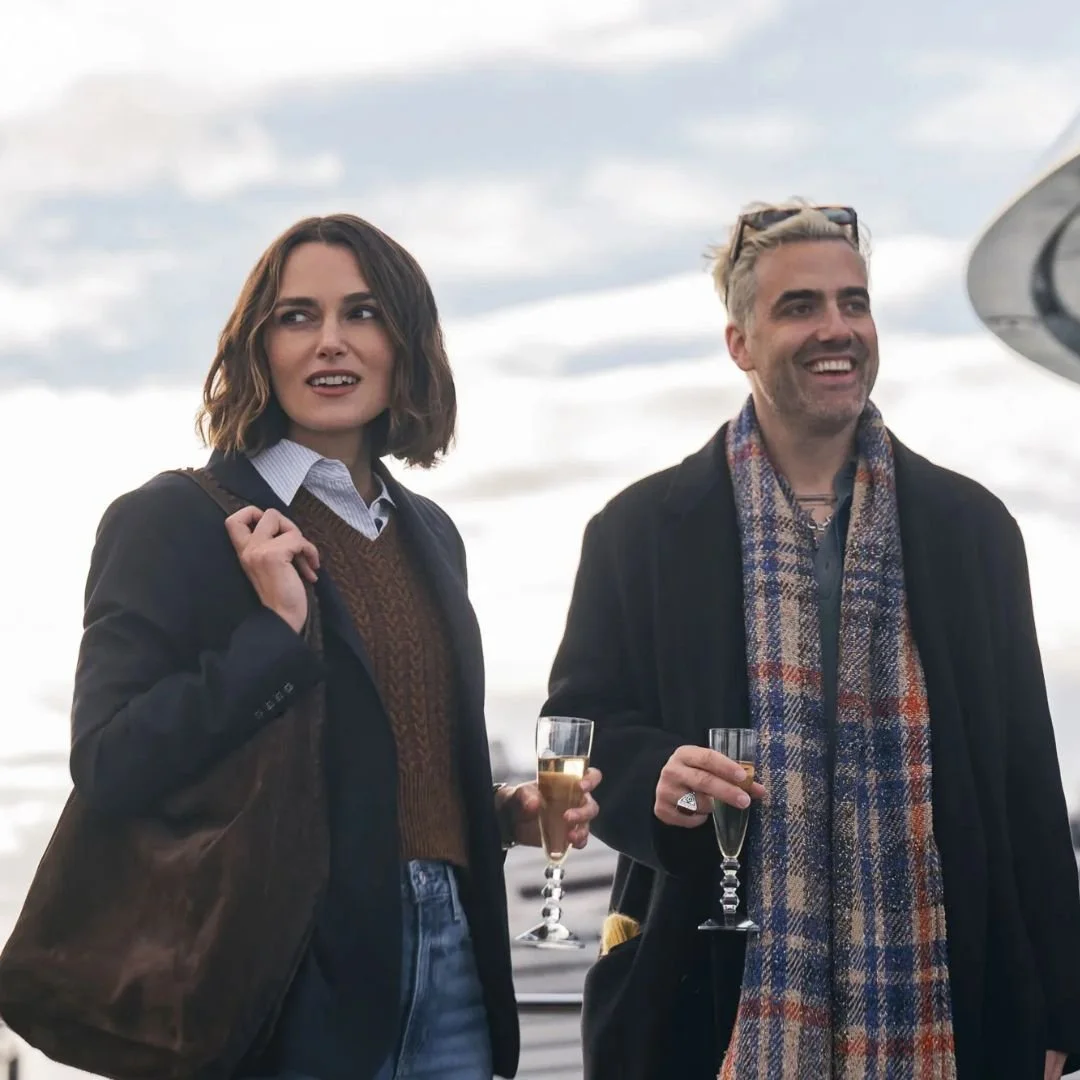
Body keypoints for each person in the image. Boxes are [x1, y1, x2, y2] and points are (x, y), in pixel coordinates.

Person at [543, 202, 1080, 1080]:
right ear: (740, 343)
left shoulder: (971, 528)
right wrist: (659, 775)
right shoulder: (640, 532)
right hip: (710, 1000)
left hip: (950, 1004)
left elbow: (1026, 778)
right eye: (800, 307)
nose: (837, 328)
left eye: (854, 302)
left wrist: (1060, 1001)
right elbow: (581, 725)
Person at [69, 213, 601, 1080]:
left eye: (362, 314)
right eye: (296, 317)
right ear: (258, 347)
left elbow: (399, 758)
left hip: (456, 954)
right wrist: (275, 634)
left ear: (406, 343)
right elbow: (111, 761)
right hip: (280, 978)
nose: (330, 343)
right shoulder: (171, 521)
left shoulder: (431, 532)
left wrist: (503, 812)